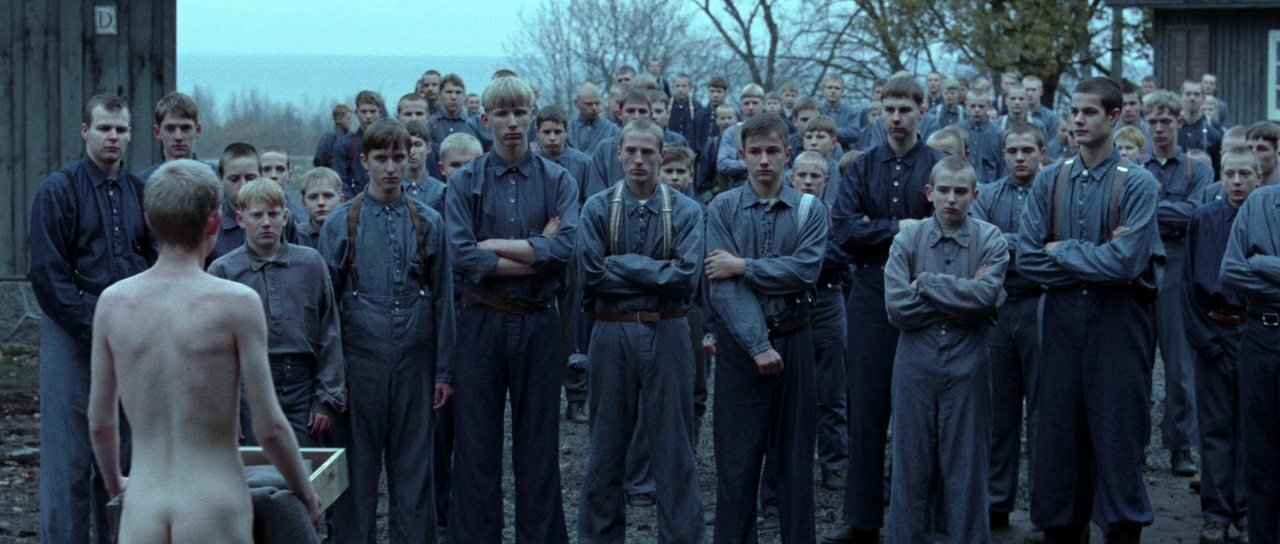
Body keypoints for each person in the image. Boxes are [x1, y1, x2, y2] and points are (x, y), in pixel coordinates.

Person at [87, 159, 322, 543]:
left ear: (149, 221)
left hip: (143, 504)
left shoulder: (113, 303)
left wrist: (117, 486)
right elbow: (270, 428)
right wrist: (307, 494)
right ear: (215, 222)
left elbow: (100, 422)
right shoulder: (236, 303)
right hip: (214, 504)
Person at [1017, 77, 1163, 544]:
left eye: (1089, 112)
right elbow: (1027, 259)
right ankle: (1062, 526)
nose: (1078, 120)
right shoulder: (1050, 179)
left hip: (1118, 325)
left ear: (1115, 116)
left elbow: (1126, 264)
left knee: (1118, 434)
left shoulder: (1137, 183)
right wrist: (1095, 257)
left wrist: (1062, 249)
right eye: (1073, 111)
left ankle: (1121, 525)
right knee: (1058, 436)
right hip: (1060, 324)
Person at [445, 77, 577, 543]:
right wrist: (535, 252)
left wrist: (495, 247)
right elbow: (463, 256)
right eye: (502, 113)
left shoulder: (558, 180)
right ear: (486, 120)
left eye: (520, 112)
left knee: (538, 444)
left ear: (533, 117)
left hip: (539, 321)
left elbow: (565, 249)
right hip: (480, 321)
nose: (513, 122)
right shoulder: (465, 182)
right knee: (476, 444)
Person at [824, 74, 948, 544]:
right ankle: (862, 519)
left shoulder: (938, 167)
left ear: (922, 110)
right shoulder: (862, 168)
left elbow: (946, 228)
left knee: (924, 411)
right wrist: (901, 227)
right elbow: (843, 230)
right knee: (866, 407)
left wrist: (879, 228)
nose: (896, 118)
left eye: (905, 109)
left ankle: (920, 519)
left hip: (925, 295)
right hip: (870, 294)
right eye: (889, 109)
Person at [320, 117, 455, 544]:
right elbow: (326, 312)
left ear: (411, 157)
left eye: (398, 157)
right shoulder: (340, 224)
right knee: (357, 473)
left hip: (415, 361)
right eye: (381, 158)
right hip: (359, 364)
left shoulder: (429, 222)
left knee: (414, 470)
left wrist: (443, 371)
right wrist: (332, 379)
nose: (391, 167)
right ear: (364, 162)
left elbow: (444, 299)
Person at [28, 94, 156, 544]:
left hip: (130, 339)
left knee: (122, 458)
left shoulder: (140, 193)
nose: (113, 137)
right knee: (69, 460)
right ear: (85, 131)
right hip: (72, 335)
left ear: (130, 135)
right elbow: (47, 274)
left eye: (121, 129)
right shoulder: (58, 190)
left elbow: (154, 258)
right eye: (104, 128)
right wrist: (93, 326)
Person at [575, 119, 705, 543]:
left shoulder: (686, 210)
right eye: (631, 150)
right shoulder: (597, 208)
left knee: (675, 448)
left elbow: (686, 279)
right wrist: (657, 273)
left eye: (648, 152)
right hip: (611, 332)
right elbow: (591, 277)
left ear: (661, 156)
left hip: (668, 330)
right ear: (618, 153)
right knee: (605, 448)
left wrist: (621, 263)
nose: (638, 159)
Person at [705, 113, 827, 544]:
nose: (763, 161)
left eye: (772, 151)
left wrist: (744, 266)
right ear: (741, 155)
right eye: (754, 152)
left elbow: (805, 271)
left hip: (794, 337)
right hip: (741, 348)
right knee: (736, 465)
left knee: (795, 462)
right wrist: (757, 344)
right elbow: (722, 286)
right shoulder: (723, 208)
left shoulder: (809, 209)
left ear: (788, 154)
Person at [884, 156, 1008, 544]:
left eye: (960, 191)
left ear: (975, 195)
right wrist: (963, 297)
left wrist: (925, 283)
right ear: (929, 192)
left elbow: (986, 297)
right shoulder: (908, 239)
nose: (951, 199)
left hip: (969, 365)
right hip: (915, 364)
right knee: (910, 465)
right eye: (943, 190)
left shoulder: (990, 239)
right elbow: (897, 308)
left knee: (968, 468)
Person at [208, 178, 345, 447]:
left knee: (304, 464)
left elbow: (330, 332)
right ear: (240, 219)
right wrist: (226, 409)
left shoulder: (311, 263)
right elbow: (214, 349)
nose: (266, 222)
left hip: (302, 385)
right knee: (257, 466)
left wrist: (327, 399)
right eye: (257, 215)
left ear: (285, 216)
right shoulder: (224, 271)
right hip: (248, 387)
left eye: (273, 214)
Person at [971, 123, 1046, 529]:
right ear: (1002, 153)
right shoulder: (987, 194)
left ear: (1042, 152)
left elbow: (1056, 241)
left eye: (1027, 150)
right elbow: (983, 242)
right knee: (999, 412)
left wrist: (1016, 245)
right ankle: (996, 501)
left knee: (1044, 410)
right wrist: (1034, 245)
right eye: (1012, 150)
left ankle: (1045, 508)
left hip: (1039, 304)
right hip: (997, 307)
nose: (1019, 157)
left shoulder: (1053, 191)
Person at [1182, 147, 1258, 544]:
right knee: (1214, 428)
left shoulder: (1267, 218)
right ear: (1220, 177)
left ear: (1258, 178)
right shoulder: (1204, 218)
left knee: (1251, 427)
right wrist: (1203, 339)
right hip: (1214, 329)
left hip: (1254, 332)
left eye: (1245, 174)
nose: (1237, 182)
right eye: (1230, 174)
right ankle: (1215, 514)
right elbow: (1187, 285)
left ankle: (1247, 512)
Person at [1142, 89, 1215, 477]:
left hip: (1177, 267)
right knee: (1134, 365)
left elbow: (1195, 213)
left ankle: (1180, 446)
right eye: (1152, 121)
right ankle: (1134, 443)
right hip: (1138, 268)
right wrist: (1162, 211)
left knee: (1179, 368)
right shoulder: (1134, 168)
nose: (1159, 128)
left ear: (1179, 123)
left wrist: (1149, 206)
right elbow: (1121, 211)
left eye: (1166, 121)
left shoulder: (1196, 170)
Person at [1219, 150, 1280, 544]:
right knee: (1260, 454)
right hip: (1260, 337)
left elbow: (1249, 267)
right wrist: (1253, 266)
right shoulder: (1258, 204)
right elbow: (1231, 271)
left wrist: (1263, 263)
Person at [588, 88, 657, 194]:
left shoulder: (659, 148)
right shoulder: (604, 150)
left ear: (651, 115)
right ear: (620, 114)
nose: (636, 116)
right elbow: (595, 193)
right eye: (630, 111)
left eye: (642, 111)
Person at [136, 91, 206, 181]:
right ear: (157, 132)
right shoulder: (141, 183)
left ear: (198, 130)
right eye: (170, 128)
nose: (178, 137)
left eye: (185, 128)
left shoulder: (216, 179)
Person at [332, 90, 386, 199]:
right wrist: (353, 204)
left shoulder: (389, 143)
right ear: (356, 112)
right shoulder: (344, 145)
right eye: (364, 111)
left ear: (380, 112)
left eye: (372, 111)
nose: (368, 116)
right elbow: (340, 180)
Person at [716, 84, 766, 189]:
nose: (750, 107)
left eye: (755, 103)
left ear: (763, 105)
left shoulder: (774, 130)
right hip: (739, 186)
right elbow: (722, 163)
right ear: (741, 106)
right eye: (746, 103)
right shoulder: (732, 132)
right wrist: (752, 164)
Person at [432, 73, 491, 151]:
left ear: (464, 96)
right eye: (449, 92)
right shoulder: (431, 124)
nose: (454, 97)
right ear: (440, 95)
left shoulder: (475, 123)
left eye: (458, 92)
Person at [403, 120, 450, 214]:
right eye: (406, 145)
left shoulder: (441, 191)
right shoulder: (390, 189)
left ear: (428, 148)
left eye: (417, 145)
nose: (411, 151)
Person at [961, 90, 1006, 183]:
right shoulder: (957, 131)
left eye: (981, 106)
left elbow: (1003, 166)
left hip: (990, 186)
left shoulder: (999, 134)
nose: (977, 110)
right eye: (973, 106)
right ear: (966, 105)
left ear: (989, 106)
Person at [295, 167, 344, 250]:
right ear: (303, 203)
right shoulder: (295, 236)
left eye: (328, 196)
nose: (321, 202)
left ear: (341, 200)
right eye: (313, 197)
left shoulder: (351, 234)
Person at [260, 146, 311, 225]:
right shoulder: (245, 214)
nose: (273, 175)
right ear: (258, 174)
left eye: (280, 169)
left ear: (289, 176)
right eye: (267, 169)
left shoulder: (302, 218)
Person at [568, 82, 620, 153]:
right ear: (576, 103)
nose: (594, 108)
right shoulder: (568, 130)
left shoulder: (612, 130)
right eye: (589, 104)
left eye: (597, 103)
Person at [1178, 80, 1223, 158]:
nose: (1192, 98)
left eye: (1196, 94)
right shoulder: (1172, 131)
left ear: (1203, 98)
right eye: (1188, 94)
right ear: (1181, 97)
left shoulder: (1213, 135)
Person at [1022, 75, 1062, 158]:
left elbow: (1054, 145)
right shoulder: (1018, 115)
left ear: (1041, 92)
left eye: (1033, 90)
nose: (1030, 93)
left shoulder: (1051, 117)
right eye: (1027, 90)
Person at [820, 74, 862, 149]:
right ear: (823, 90)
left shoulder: (851, 112)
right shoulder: (817, 111)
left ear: (842, 91)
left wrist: (829, 131)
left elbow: (855, 133)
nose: (833, 91)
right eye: (829, 88)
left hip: (844, 151)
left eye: (837, 88)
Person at [691, 76, 729, 154]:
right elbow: (693, 139)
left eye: (719, 92)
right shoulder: (699, 115)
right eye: (712, 91)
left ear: (725, 93)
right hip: (700, 156)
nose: (715, 95)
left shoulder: (731, 115)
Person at [314, 103, 353, 168]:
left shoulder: (351, 136)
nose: (351, 121)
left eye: (351, 119)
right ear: (338, 120)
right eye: (348, 118)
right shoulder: (329, 135)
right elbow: (319, 159)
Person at [669, 73, 702, 141]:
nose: (680, 89)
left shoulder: (697, 107)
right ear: (673, 87)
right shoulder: (667, 105)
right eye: (677, 86)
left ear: (690, 88)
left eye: (684, 86)